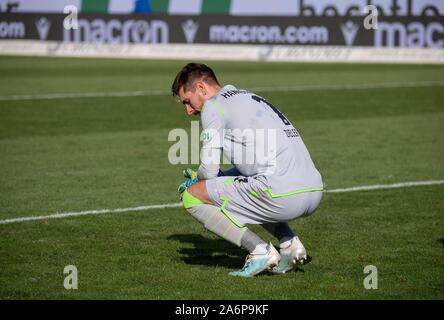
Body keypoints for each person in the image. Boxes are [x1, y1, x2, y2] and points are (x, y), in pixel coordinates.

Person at [172, 63, 323, 277]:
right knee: (249, 183)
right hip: (314, 190)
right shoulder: (247, 96)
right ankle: (289, 244)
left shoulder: (213, 106)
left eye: (187, 101)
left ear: (201, 88)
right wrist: (216, 179)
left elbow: (209, 169)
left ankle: (259, 251)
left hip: (283, 196)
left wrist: (199, 182)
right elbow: (250, 166)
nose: (188, 111)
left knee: (191, 197)